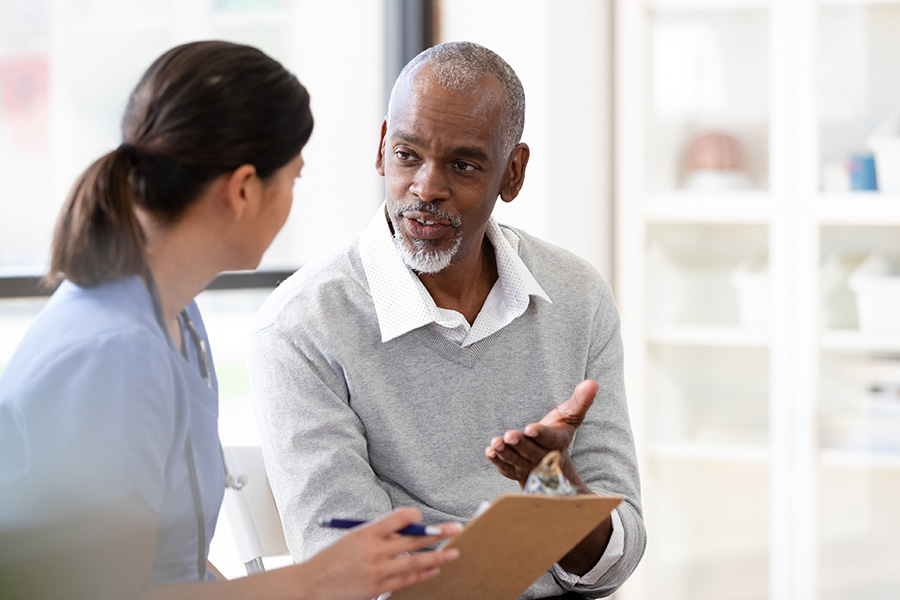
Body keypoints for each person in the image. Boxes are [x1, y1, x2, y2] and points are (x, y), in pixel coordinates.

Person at [0, 41, 461, 600]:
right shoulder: (113, 353)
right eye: (293, 177)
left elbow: (171, 571)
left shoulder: (177, 318)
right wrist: (311, 582)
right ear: (243, 189)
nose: (292, 198)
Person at [247, 41, 646, 599]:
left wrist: (557, 492)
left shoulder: (576, 295)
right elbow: (347, 570)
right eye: (408, 155)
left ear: (513, 172)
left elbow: (617, 558)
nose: (426, 189)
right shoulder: (302, 327)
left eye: (462, 164)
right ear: (382, 148)